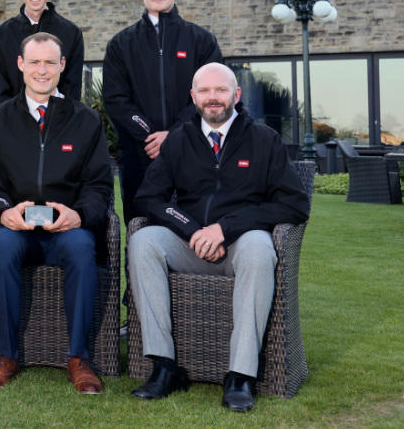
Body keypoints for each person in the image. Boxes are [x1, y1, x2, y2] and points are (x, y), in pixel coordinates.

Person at [128, 63, 309, 412]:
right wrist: (191, 229)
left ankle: (240, 375)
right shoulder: (179, 139)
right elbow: (149, 197)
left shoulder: (263, 139)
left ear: (236, 95)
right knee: (143, 241)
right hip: (190, 243)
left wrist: (226, 228)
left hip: (239, 245)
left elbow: (294, 204)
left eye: (221, 90)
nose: (214, 98)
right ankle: (164, 367)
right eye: (205, 91)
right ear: (193, 97)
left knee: (259, 247)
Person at [0, 33, 112, 394]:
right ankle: (7, 355)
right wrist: (4, 212)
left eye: (50, 62)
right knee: (2, 247)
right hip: (16, 228)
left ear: (62, 66)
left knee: (84, 249)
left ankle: (79, 358)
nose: (42, 70)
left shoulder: (86, 121)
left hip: (67, 229)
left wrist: (78, 215)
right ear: (20, 65)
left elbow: (100, 187)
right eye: (34, 62)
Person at [102, 0, 222, 228]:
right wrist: (150, 136)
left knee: (194, 227)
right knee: (140, 228)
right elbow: (116, 99)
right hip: (139, 156)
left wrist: (175, 134)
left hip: (193, 152)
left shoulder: (201, 40)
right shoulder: (121, 44)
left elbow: (211, 97)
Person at [0, 0, 85, 104]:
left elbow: (72, 92)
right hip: (14, 124)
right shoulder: (1, 36)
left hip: (59, 123)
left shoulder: (72, 34)